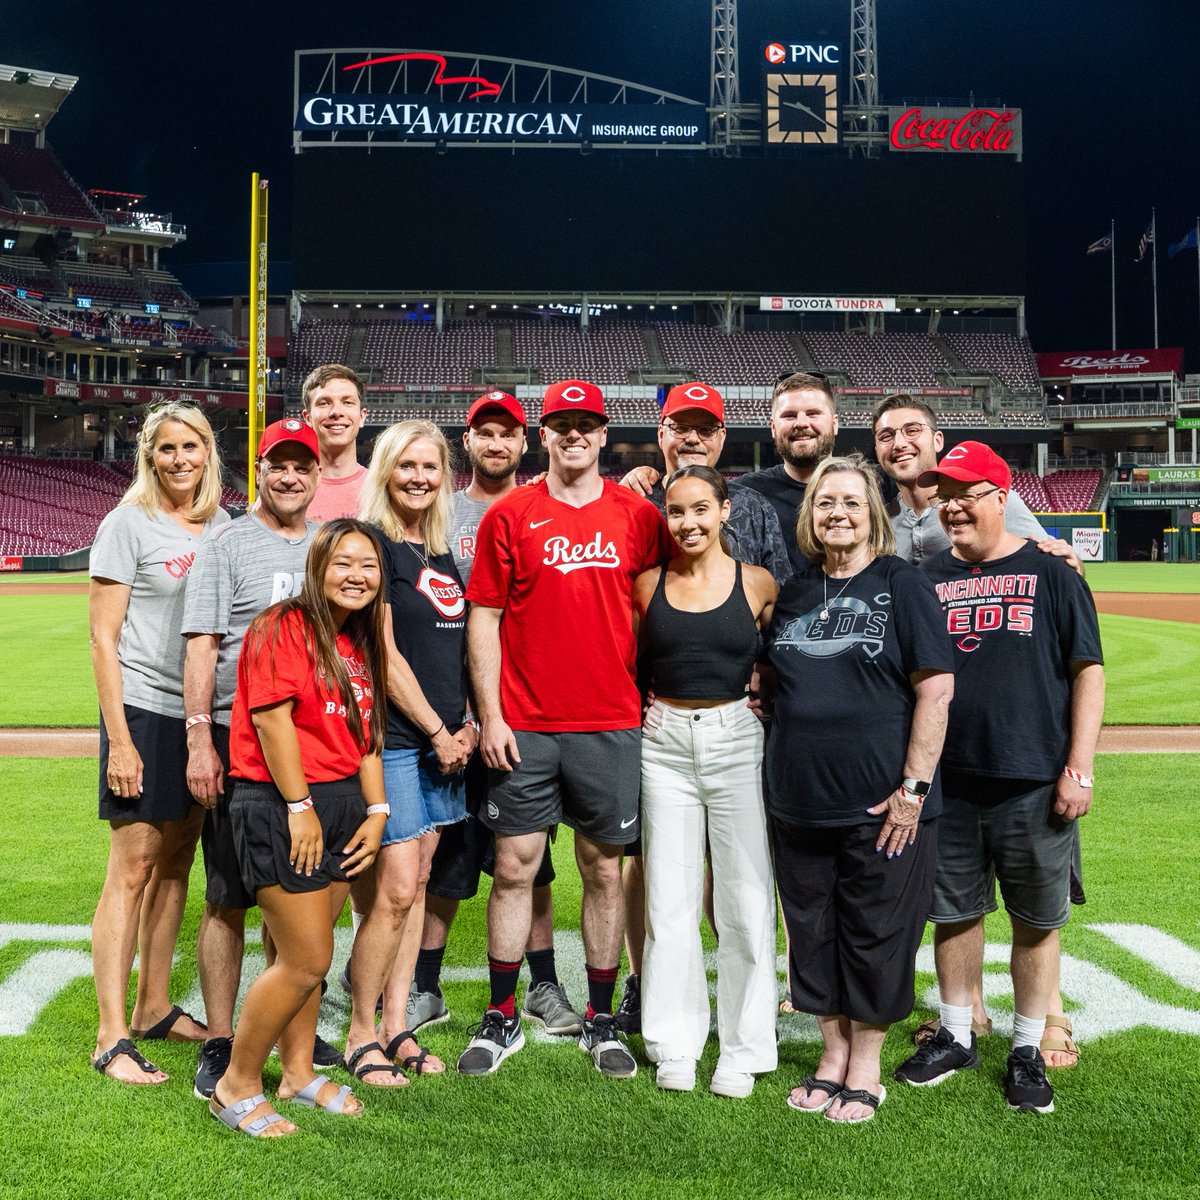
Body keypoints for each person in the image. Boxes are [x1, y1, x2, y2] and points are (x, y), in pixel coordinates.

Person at [459, 378, 673, 1078]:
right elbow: (484, 616)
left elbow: (666, 611)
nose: (574, 434)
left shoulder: (637, 517)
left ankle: (602, 1017)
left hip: (612, 721)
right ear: (542, 434)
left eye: (586, 424)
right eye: (560, 424)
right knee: (516, 868)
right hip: (525, 725)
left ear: (604, 434)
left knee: (603, 871)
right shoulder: (511, 515)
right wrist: (491, 714)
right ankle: (502, 1013)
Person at [872, 394, 1085, 1067]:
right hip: (948, 770)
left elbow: (1083, 661)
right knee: (954, 905)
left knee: (1035, 908)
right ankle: (962, 1027)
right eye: (886, 434)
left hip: (1027, 762)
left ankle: (1041, 1026)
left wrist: (1078, 766)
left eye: (912, 431)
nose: (955, 504)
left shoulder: (1033, 549)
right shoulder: (906, 546)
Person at [767, 455, 954, 1123]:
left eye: (850, 501)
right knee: (812, 931)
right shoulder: (792, 592)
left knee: (876, 932)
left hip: (885, 804)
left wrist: (913, 788)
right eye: (824, 503)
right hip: (796, 799)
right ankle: (831, 1052)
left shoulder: (903, 584)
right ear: (809, 517)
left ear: (872, 513)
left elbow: (935, 689)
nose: (837, 513)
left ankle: (865, 1061)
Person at [614, 380, 791, 1032]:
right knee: (648, 864)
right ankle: (643, 983)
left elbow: (783, 611)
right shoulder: (629, 502)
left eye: (705, 427)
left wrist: (769, 683)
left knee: (739, 870)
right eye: (678, 425)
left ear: (722, 436)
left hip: (733, 718)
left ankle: (751, 1006)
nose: (691, 436)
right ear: (659, 432)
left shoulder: (756, 512)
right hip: (652, 716)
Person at [409, 391, 581, 1039]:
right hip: (451, 716)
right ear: (469, 442)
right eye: (485, 432)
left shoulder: (543, 509)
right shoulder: (440, 513)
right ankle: (424, 986)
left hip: (526, 713)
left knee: (528, 861)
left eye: (508, 433)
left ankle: (542, 984)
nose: (497, 443)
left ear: (524, 443)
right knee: (447, 859)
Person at [210, 519, 389, 1137]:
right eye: (343, 563)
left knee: (305, 951)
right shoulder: (281, 625)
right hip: (283, 801)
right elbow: (272, 723)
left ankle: (299, 1072)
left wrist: (377, 811)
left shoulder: (358, 640)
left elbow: (367, 737)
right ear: (317, 567)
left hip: (342, 804)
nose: (356, 576)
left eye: (368, 565)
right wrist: (299, 806)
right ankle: (235, 1084)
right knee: (307, 959)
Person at [182, 417, 329, 1100]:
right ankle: (221, 1038)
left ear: (317, 473)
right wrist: (197, 738)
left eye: (303, 466)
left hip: (314, 749)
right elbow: (204, 646)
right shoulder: (228, 543)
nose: (291, 477)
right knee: (227, 898)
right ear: (260, 470)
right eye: (279, 465)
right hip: (240, 748)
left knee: (294, 899)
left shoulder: (329, 547)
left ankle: (286, 1024)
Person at [89, 401, 229, 1083]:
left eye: (191, 447)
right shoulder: (127, 523)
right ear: (150, 455)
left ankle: (152, 1006)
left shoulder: (223, 525)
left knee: (177, 861)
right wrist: (120, 739)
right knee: (134, 867)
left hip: (201, 715)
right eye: (167, 449)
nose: (180, 460)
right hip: (145, 710)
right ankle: (111, 1035)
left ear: (209, 451)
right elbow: (103, 638)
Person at [634, 465, 779, 1098]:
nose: (688, 522)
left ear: (725, 511)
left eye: (701, 509)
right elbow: (629, 664)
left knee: (746, 902)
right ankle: (674, 1043)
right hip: (662, 743)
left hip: (735, 742)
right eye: (675, 511)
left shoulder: (758, 584)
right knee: (668, 903)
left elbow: (783, 658)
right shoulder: (646, 586)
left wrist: (765, 697)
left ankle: (743, 1051)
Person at [343, 419, 474, 1086]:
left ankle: (397, 1025)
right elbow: (383, 655)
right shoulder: (375, 547)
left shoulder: (440, 552)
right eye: (407, 466)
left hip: (446, 745)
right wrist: (435, 731)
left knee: (418, 883)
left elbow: (457, 651)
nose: (419, 478)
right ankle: (361, 1032)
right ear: (386, 471)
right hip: (398, 742)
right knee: (392, 892)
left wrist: (468, 724)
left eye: (430, 467)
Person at [739, 371, 839, 576]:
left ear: (834, 424)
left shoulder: (870, 486)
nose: (801, 423)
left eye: (813, 414)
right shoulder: (744, 494)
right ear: (773, 427)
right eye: (789, 415)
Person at [303, 364, 368, 522]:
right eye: (324, 403)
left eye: (347, 402)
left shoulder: (383, 488)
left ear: (362, 416)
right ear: (308, 418)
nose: (336, 412)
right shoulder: (288, 488)